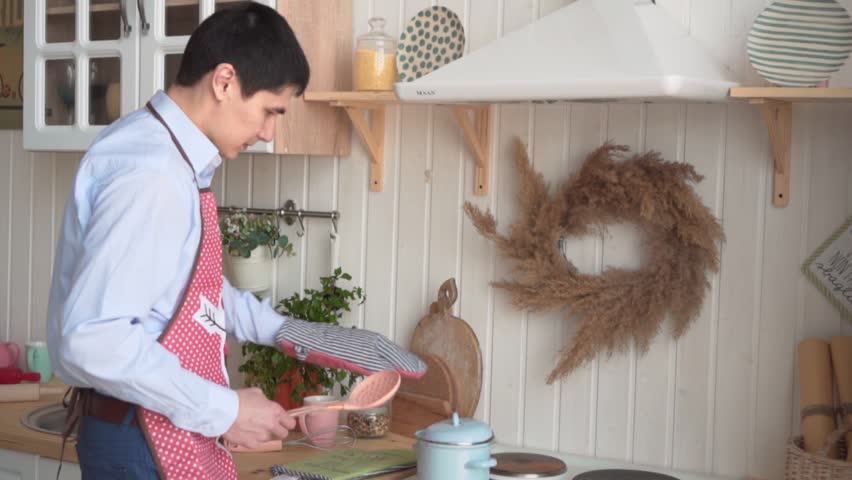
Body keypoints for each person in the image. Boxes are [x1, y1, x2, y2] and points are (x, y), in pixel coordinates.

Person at [45, 3, 425, 479]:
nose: (267, 132)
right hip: (140, 435)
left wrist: (289, 333)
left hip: (151, 428)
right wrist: (226, 411)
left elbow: (187, 293)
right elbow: (94, 339)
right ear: (224, 81)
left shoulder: (164, 154)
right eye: (269, 111)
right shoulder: (154, 174)